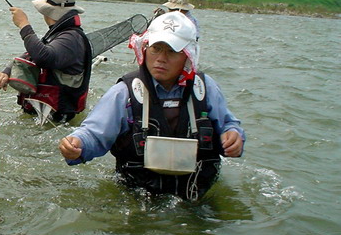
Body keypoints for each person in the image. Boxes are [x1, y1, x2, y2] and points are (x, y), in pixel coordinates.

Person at [59, 11, 244, 201]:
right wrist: (77, 143)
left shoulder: (204, 88)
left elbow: (229, 125)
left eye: (172, 51)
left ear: (188, 56)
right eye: (156, 48)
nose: (161, 58)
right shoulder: (124, 92)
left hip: (198, 197)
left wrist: (233, 137)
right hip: (137, 198)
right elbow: (94, 132)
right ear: (145, 49)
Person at [0, 0, 92, 123]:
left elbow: (43, 57)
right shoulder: (60, 33)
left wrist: (24, 25)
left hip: (58, 118)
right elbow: (31, 54)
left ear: (47, 12)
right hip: (43, 114)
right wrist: (7, 71)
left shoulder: (70, 38)